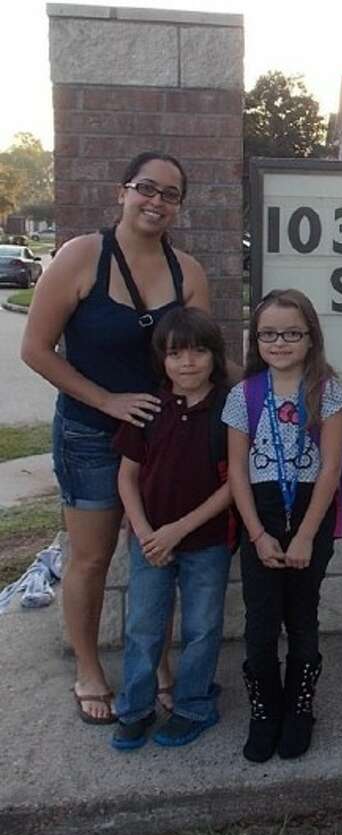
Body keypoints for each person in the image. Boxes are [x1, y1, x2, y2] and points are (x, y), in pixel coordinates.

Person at [21, 152, 210, 725]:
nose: (156, 201)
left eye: (170, 194)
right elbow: (35, 350)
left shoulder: (188, 273)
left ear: (179, 205)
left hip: (163, 442)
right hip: (90, 435)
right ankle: (88, 668)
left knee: (159, 554)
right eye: (146, 189)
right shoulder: (81, 256)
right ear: (122, 191)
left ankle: (154, 664)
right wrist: (107, 401)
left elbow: (202, 354)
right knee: (92, 557)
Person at [223, 289, 342, 762]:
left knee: (301, 617)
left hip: (308, 513)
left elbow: (331, 470)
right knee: (259, 624)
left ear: (310, 337)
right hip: (261, 513)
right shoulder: (244, 395)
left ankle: (299, 710)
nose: (279, 343)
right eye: (269, 334)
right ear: (256, 340)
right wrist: (257, 534)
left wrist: (303, 535)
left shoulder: (328, 392)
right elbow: (236, 472)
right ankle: (265, 710)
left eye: (291, 333)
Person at [110, 307, 234, 750]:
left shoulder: (229, 410)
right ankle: (136, 709)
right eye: (176, 353)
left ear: (214, 356)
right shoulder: (146, 410)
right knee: (144, 626)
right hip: (149, 542)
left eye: (199, 351)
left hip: (207, 541)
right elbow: (126, 476)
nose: (188, 363)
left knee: (202, 626)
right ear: (161, 359)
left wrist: (177, 530)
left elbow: (234, 485)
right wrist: (146, 532)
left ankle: (193, 705)